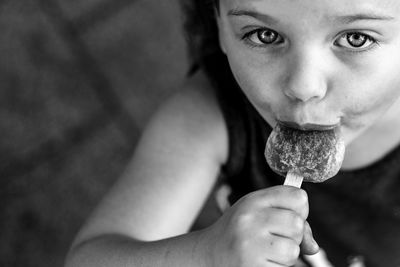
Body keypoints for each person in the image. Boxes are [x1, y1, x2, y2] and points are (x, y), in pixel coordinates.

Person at [65, 0, 400, 266]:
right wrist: (204, 254)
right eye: (264, 34)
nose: (303, 86)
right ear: (220, 26)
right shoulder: (208, 114)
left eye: (356, 38)